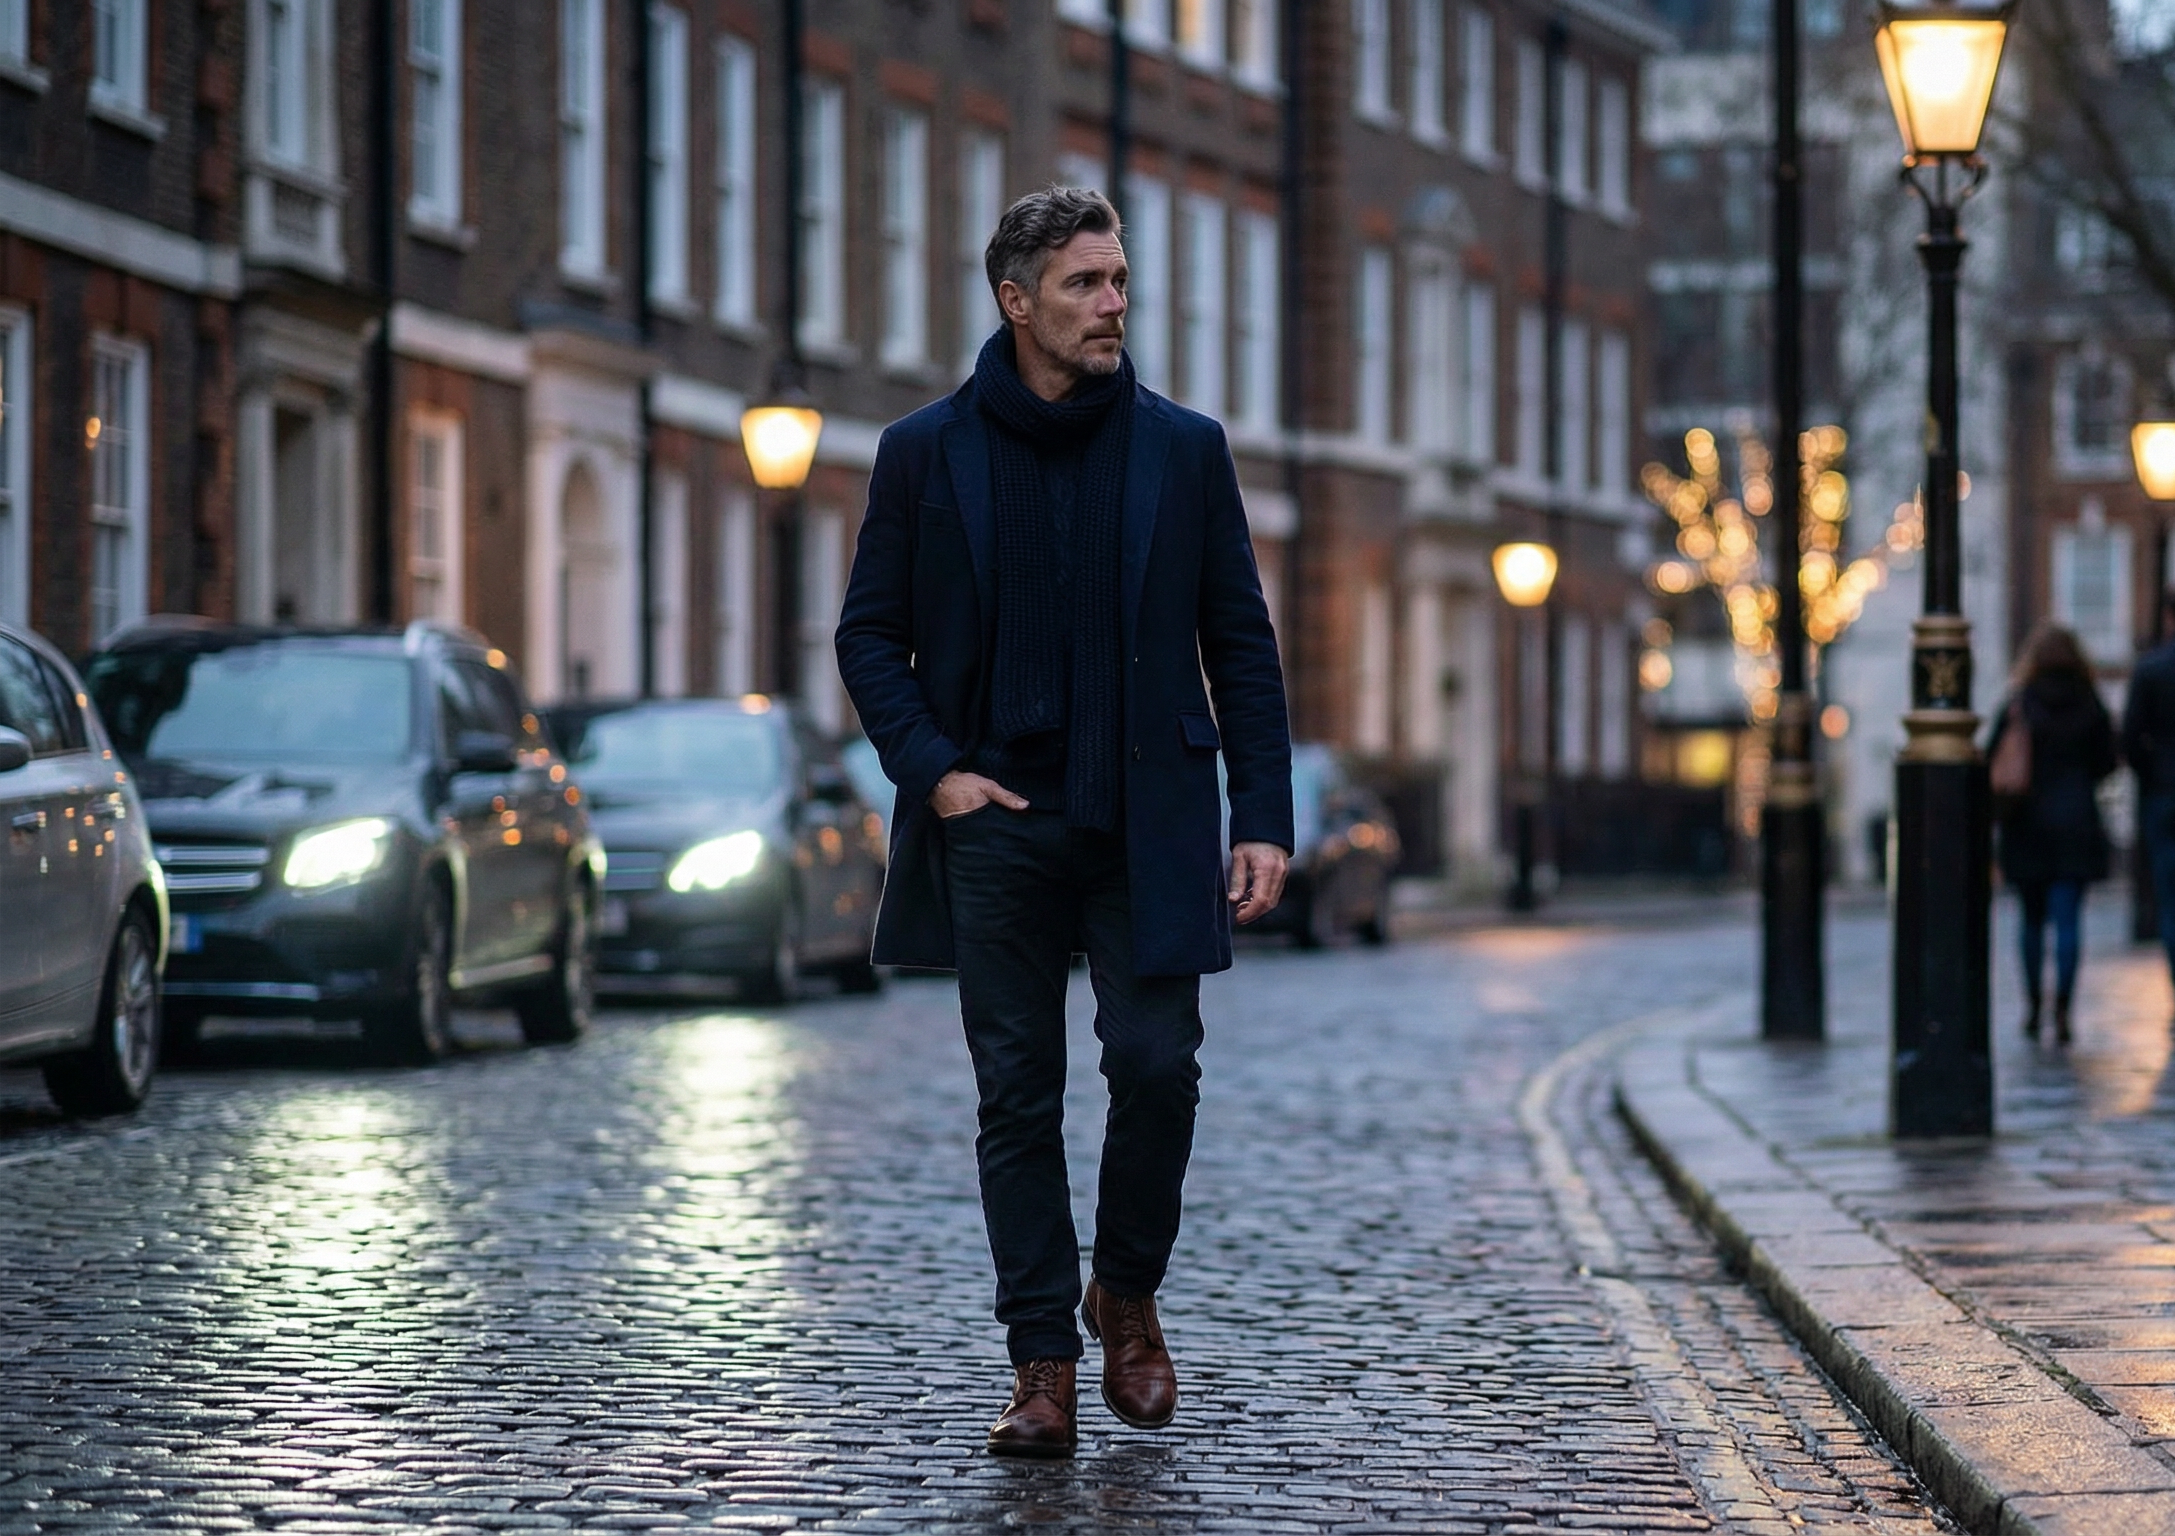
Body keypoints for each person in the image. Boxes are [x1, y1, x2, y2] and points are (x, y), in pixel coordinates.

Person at [834, 186, 1294, 1458]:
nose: (1113, 305)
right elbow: (870, 634)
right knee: (1016, 1097)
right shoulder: (924, 452)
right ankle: (1043, 1362)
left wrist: (1262, 812)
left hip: (1146, 821)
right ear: (1016, 298)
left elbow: (1238, 645)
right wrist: (935, 772)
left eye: (1119, 282)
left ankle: (1127, 1294)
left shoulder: (1182, 449)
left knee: (1158, 1071)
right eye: (1087, 284)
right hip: (997, 824)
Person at [1990, 622, 2117, 1043]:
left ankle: (2032, 1006)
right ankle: (2063, 1008)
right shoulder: (2089, 704)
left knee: (2030, 921)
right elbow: (2108, 762)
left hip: (2027, 825)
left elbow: (1993, 761)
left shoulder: (2020, 704)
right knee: (2067, 922)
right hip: (2076, 822)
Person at [2124, 593, 2175, 1006]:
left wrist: (2153, 772)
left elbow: (2130, 738)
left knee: (2170, 899)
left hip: (2164, 795)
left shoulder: (2151, 669)